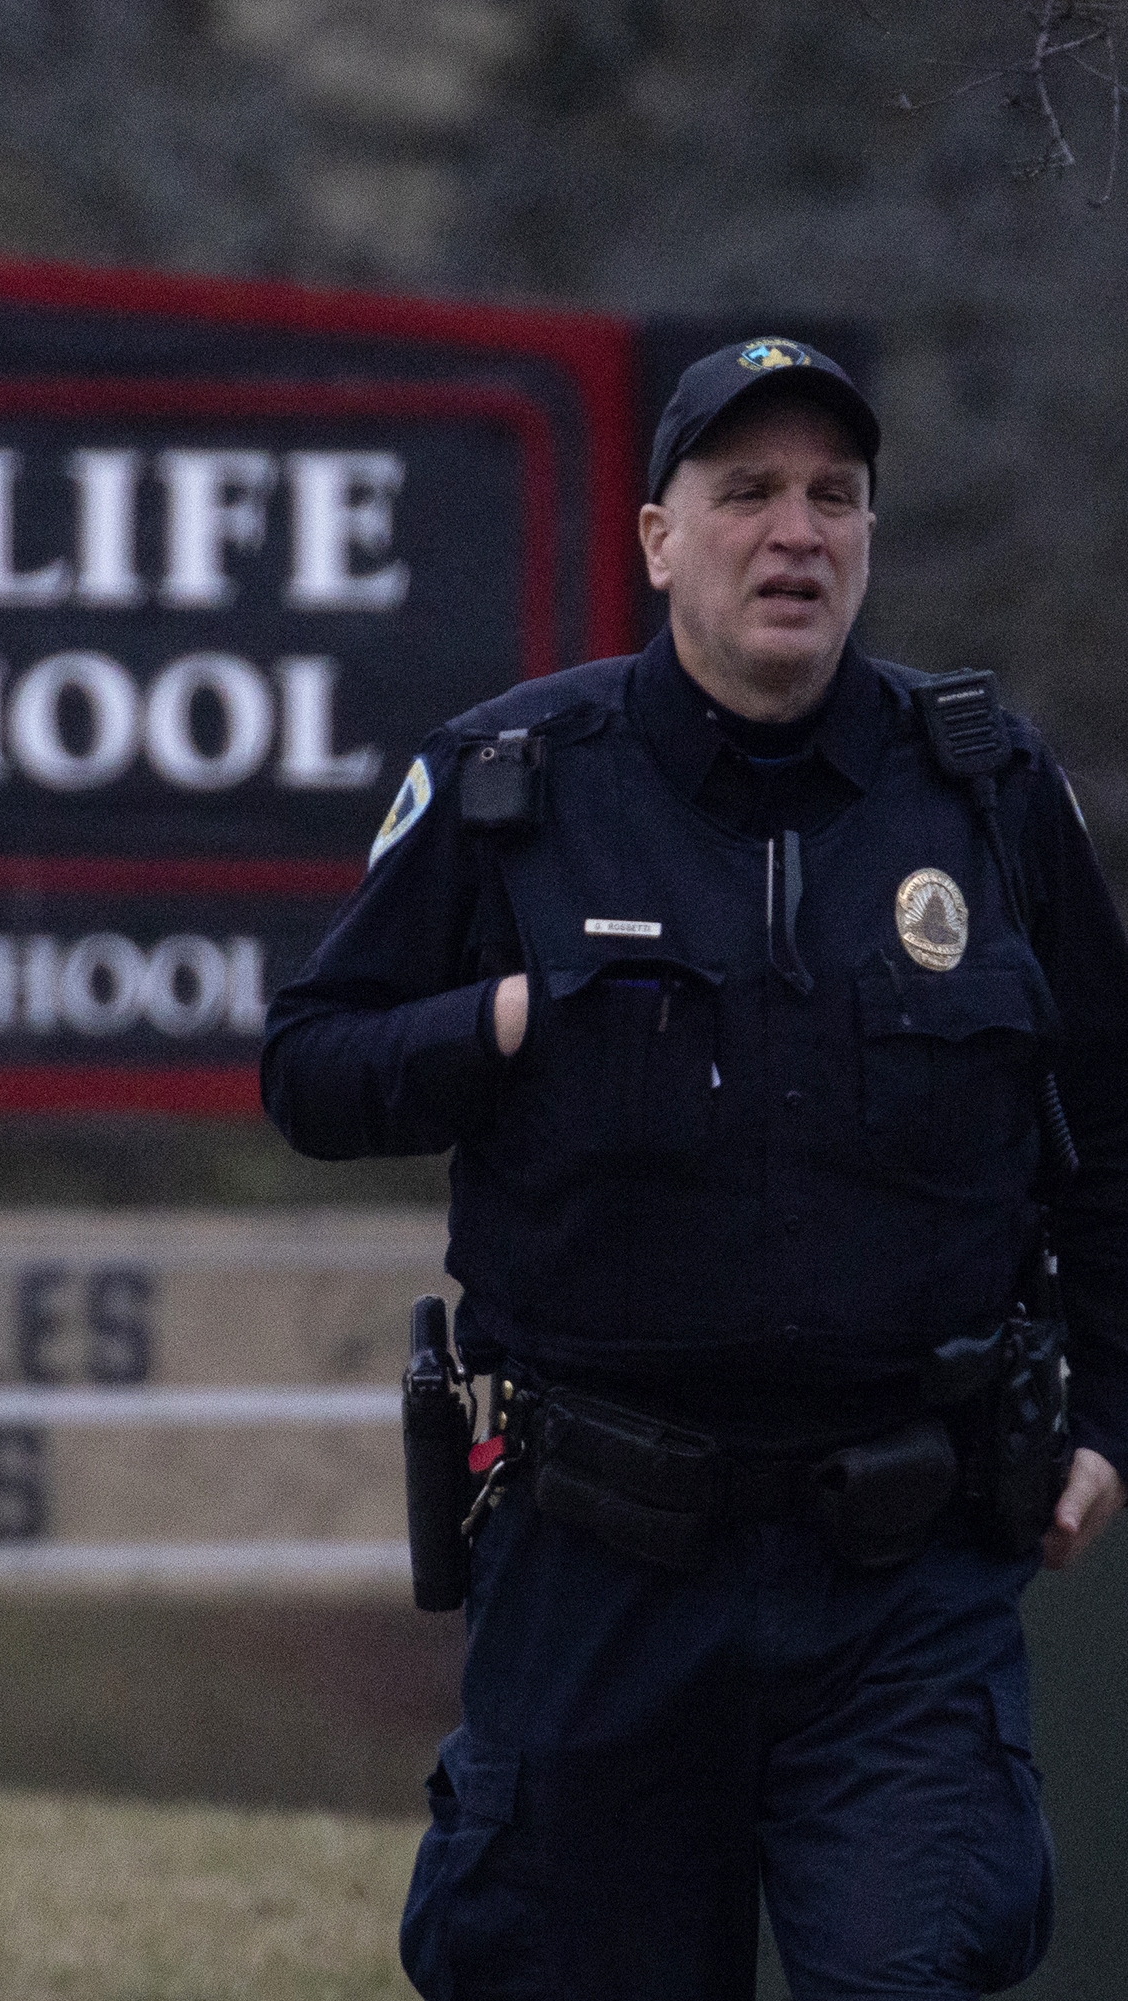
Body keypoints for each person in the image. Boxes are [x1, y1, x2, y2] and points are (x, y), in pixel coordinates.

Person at [259, 335, 1128, 1999]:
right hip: (599, 1574)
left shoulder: (988, 792)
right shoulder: (513, 786)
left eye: (833, 497)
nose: (794, 533)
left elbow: (1114, 1127)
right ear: (660, 536)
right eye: (746, 495)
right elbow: (311, 1066)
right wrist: (506, 1018)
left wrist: (1109, 1416)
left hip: (903, 1574)